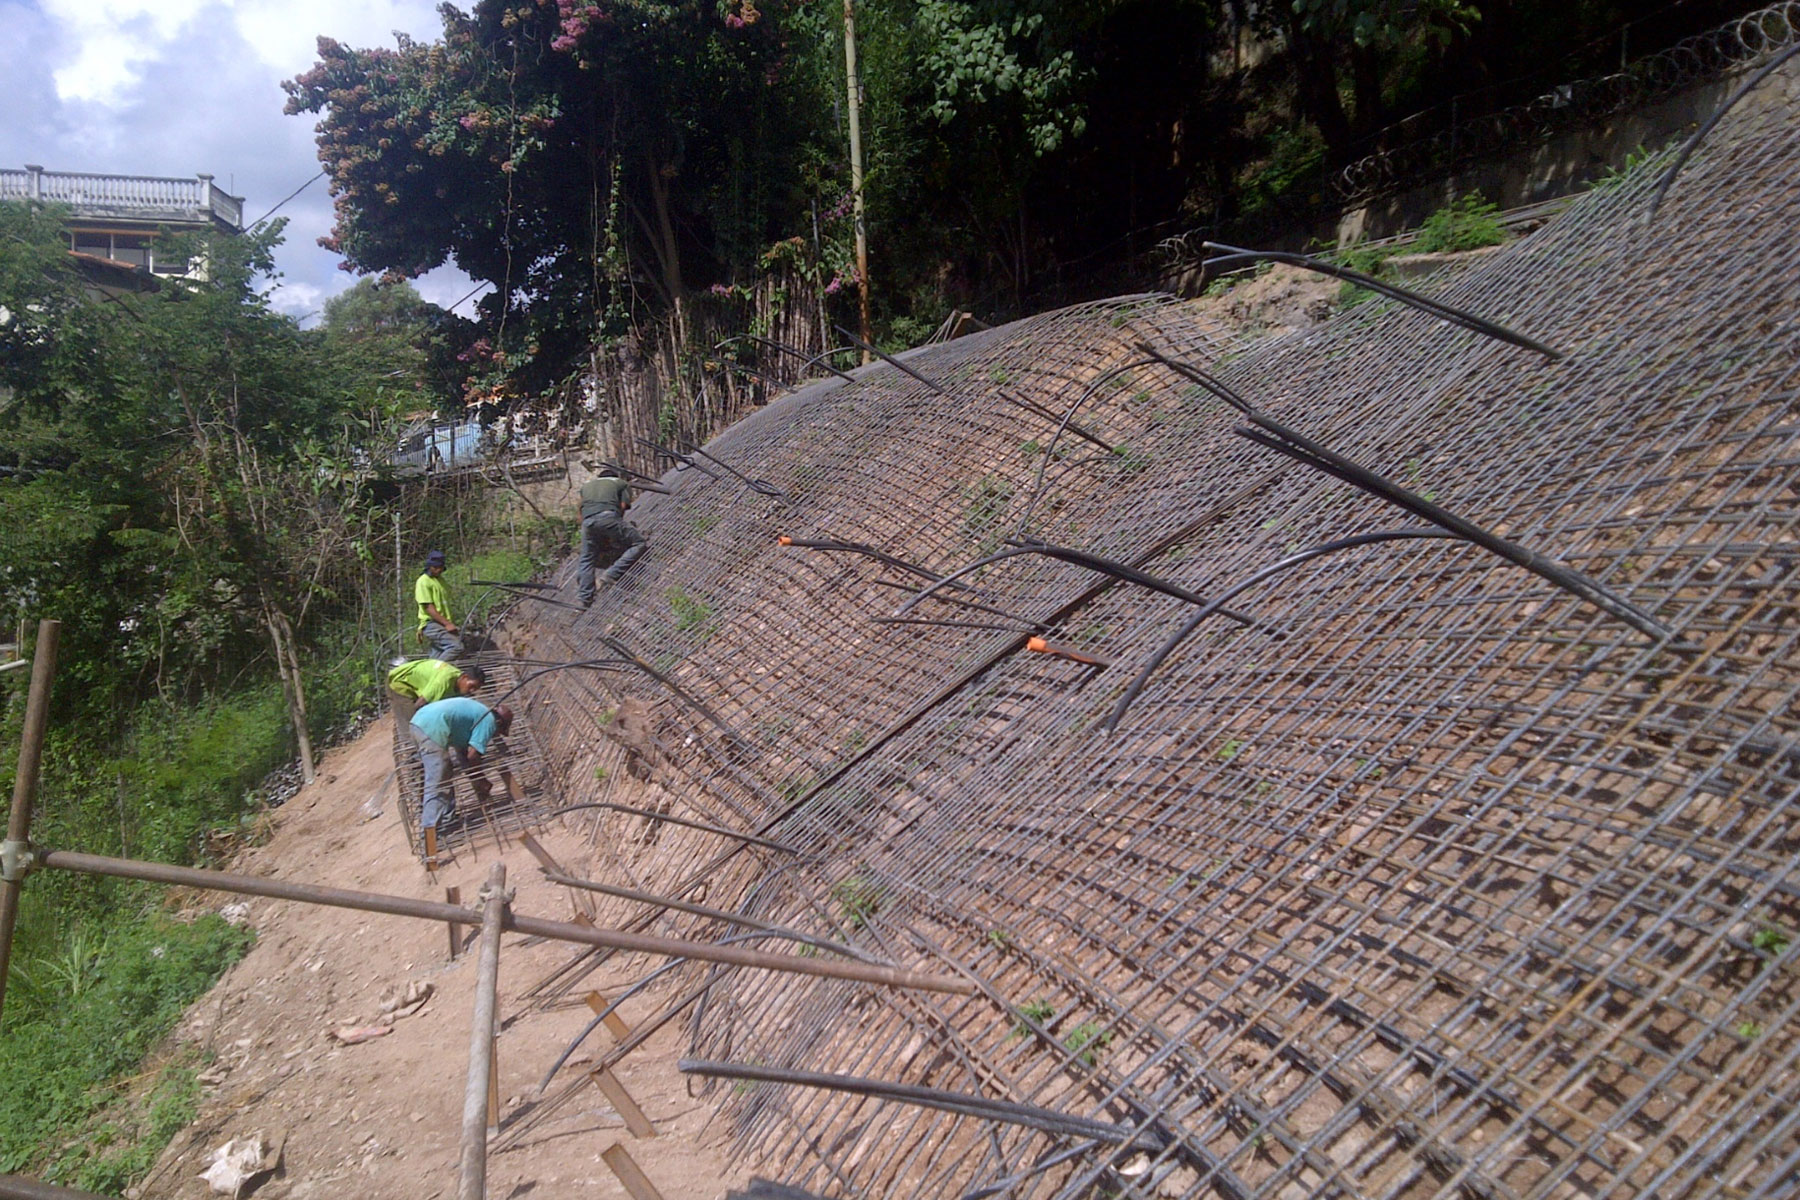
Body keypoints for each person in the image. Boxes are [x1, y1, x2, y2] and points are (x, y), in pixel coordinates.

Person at [409, 697, 513, 834]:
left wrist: (477, 778)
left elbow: (465, 756)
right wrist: (481, 779)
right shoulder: (489, 721)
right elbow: (473, 756)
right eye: (498, 731)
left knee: (444, 773)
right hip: (431, 727)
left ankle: (447, 820)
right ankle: (429, 837)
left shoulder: (477, 713)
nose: (494, 734)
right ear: (499, 722)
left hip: (417, 723)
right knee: (437, 782)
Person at [576, 468, 648, 607]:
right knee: (638, 543)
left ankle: (585, 599)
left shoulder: (587, 486)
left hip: (587, 522)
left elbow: (580, 510)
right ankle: (612, 573)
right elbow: (622, 506)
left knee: (586, 558)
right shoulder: (621, 483)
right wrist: (617, 529)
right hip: (608, 517)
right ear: (615, 477)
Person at [386, 660, 484, 723]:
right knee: (413, 721)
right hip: (399, 681)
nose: (472, 690)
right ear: (464, 677)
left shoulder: (459, 682)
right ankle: (412, 752)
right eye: (471, 686)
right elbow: (419, 705)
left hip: (417, 685)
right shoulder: (442, 682)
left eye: (475, 688)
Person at [415, 549, 463, 659]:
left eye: (440, 567)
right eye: (435, 568)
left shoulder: (441, 581)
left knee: (436, 655)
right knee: (456, 647)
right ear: (429, 566)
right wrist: (447, 624)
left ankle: (429, 673)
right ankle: (438, 672)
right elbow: (429, 608)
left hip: (441, 623)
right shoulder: (423, 581)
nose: (438, 570)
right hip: (432, 624)